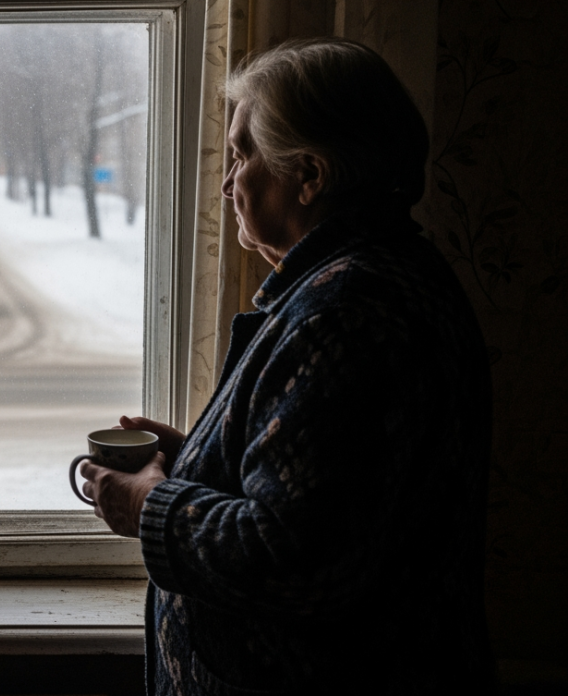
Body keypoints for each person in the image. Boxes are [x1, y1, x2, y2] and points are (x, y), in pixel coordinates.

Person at [79, 38, 495, 695]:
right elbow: (333, 492)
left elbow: (293, 561)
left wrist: (150, 505)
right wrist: (198, 462)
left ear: (309, 175)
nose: (227, 182)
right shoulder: (374, 279)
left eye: (242, 154)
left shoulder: (347, 316)